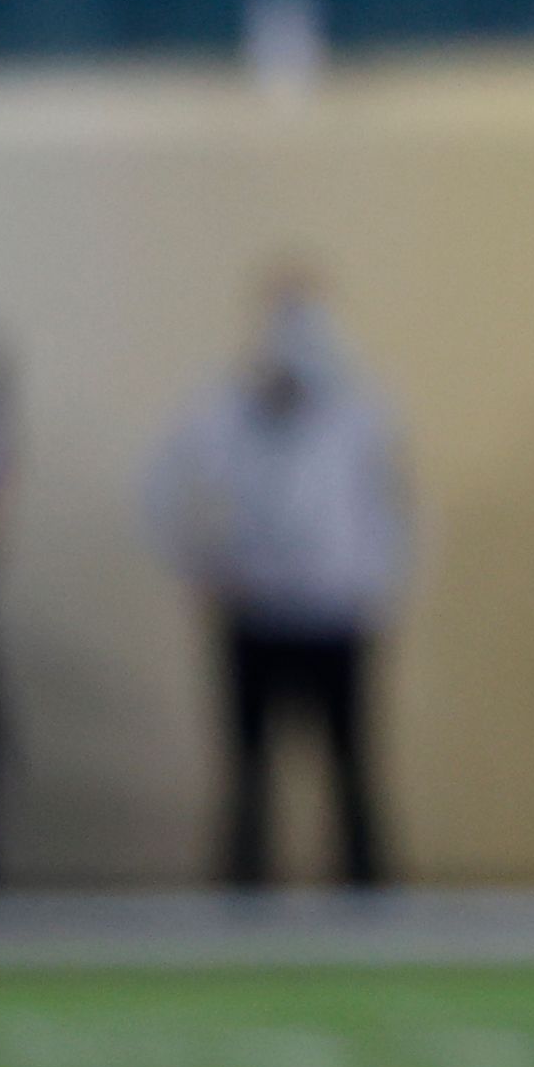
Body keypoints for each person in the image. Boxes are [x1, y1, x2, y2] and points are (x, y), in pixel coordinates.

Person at [142, 280, 412, 890]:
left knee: (351, 768)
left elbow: (396, 508)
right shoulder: (221, 408)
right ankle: (242, 896)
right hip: (255, 612)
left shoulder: (363, 412)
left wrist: (377, 586)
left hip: (335, 615)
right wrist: (198, 564)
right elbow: (158, 489)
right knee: (247, 772)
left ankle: (369, 898)